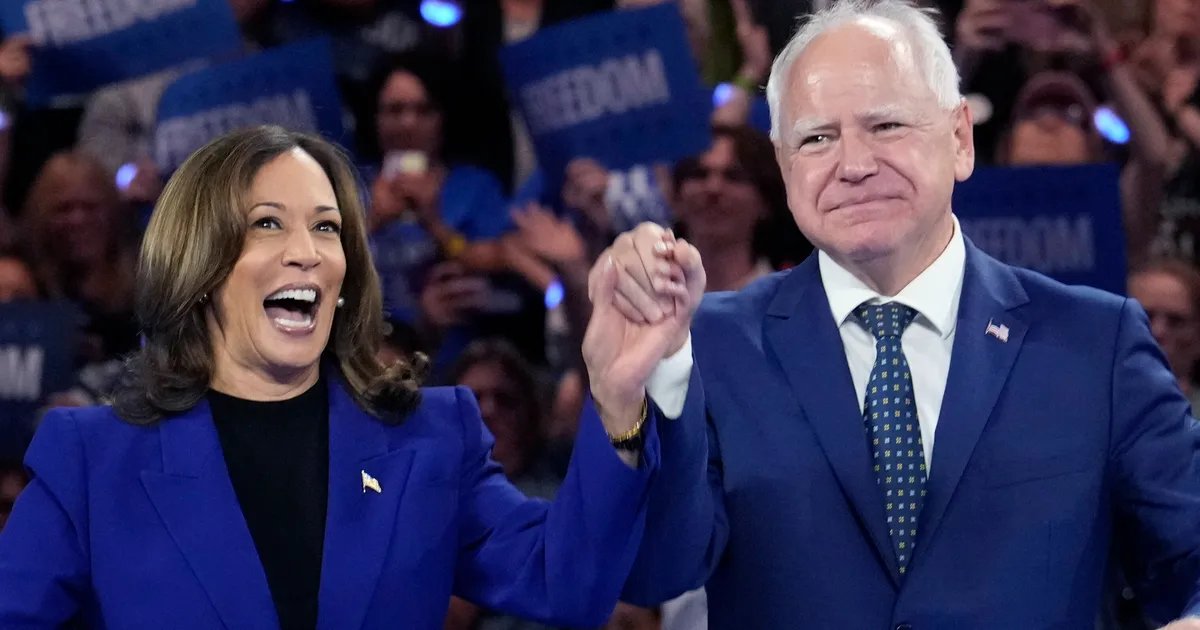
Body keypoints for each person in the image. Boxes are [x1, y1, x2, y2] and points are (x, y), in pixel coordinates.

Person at [581, 1, 1200, 627]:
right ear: (783, 166)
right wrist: (624, 404)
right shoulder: (712, 342)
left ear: (960, 138)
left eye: (886, 126)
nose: (853, 166)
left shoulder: (1096, 343)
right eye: (817, 137)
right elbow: (656, 571)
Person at [0, 125, 666, 629]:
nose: (307, 253)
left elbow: (568, 583)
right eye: (268, 224)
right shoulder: (92, 459)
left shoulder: (430, 439)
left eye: (327, 228)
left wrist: (617, 401)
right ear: (197, 264)